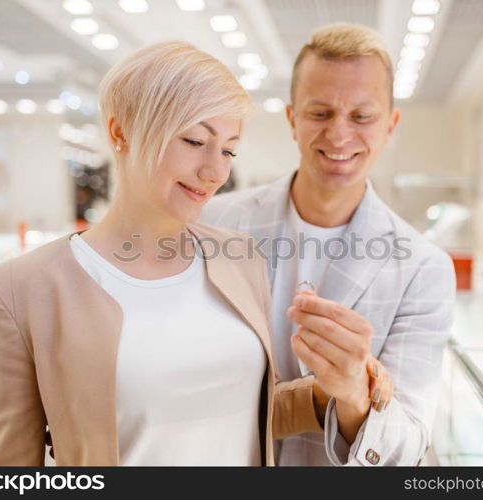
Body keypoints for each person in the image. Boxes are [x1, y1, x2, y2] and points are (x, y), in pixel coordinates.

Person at [0, 41, 377, 466]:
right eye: (194, 140)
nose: (216, 172)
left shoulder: (240, 258)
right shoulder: (21, 291)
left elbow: (241, 409)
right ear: (120, 131)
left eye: (228, 149)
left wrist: (332, 386)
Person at [201, 23, 457, 466]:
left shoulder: (423, 267)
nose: (339, 136)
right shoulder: (214, 223)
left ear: (390, 124)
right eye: (320, 113)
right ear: (292, 120)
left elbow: (408, 447)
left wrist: (355, 395)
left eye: (362, 116)